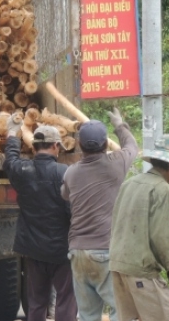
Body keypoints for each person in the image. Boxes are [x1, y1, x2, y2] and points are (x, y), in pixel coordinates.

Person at [109, 134, 169, 321]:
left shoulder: (129, 184)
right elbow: (164, 239)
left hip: (118, 267)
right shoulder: (161, 189)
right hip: (141, 271)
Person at [61, 109, 138, 321]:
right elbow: (132, 147)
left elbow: (65, 195)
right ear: (105, 144)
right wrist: (120, 126)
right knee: (119, 311)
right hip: (105, 250)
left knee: (87, 315)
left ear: (79, 145)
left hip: (77, 252)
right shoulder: (117, 164)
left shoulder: (71, 172)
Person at [3, 118, 77, 321]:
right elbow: (73, 212)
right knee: (66, 300)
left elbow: (9, 160)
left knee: (36, 302)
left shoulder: (22, 171)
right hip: (63, 250)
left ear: (34, 148)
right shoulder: (66, 173)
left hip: (34, 250)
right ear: (55, 146)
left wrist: (12, 135)